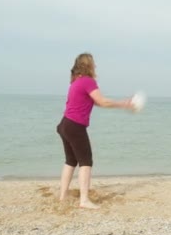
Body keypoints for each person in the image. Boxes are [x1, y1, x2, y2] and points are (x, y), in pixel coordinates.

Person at [56, 53, 134, 209]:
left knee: (71, 161)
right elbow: (102, 101)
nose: (95, 66)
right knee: (86, 161)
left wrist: (120, 104)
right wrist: (123, 104)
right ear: (88, 65)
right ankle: (84, 200)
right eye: (94, 63)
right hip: (75, 126)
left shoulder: (76, 82)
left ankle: (62, 197)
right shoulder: (88, 81)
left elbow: (94, 102)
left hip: (65, 125)